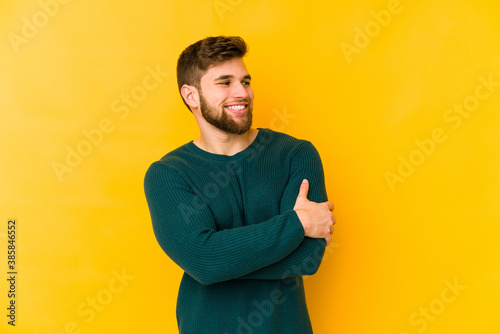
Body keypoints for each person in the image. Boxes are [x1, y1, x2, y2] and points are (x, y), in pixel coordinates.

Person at [144, 36, 336, 334]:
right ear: (191, 95)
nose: (242, 93)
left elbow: (307, 258)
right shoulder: (168, 174)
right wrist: (297, 223)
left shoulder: (296, 154)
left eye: (245, 82)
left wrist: (221, 256)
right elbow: (204, 263)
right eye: (225, 82)